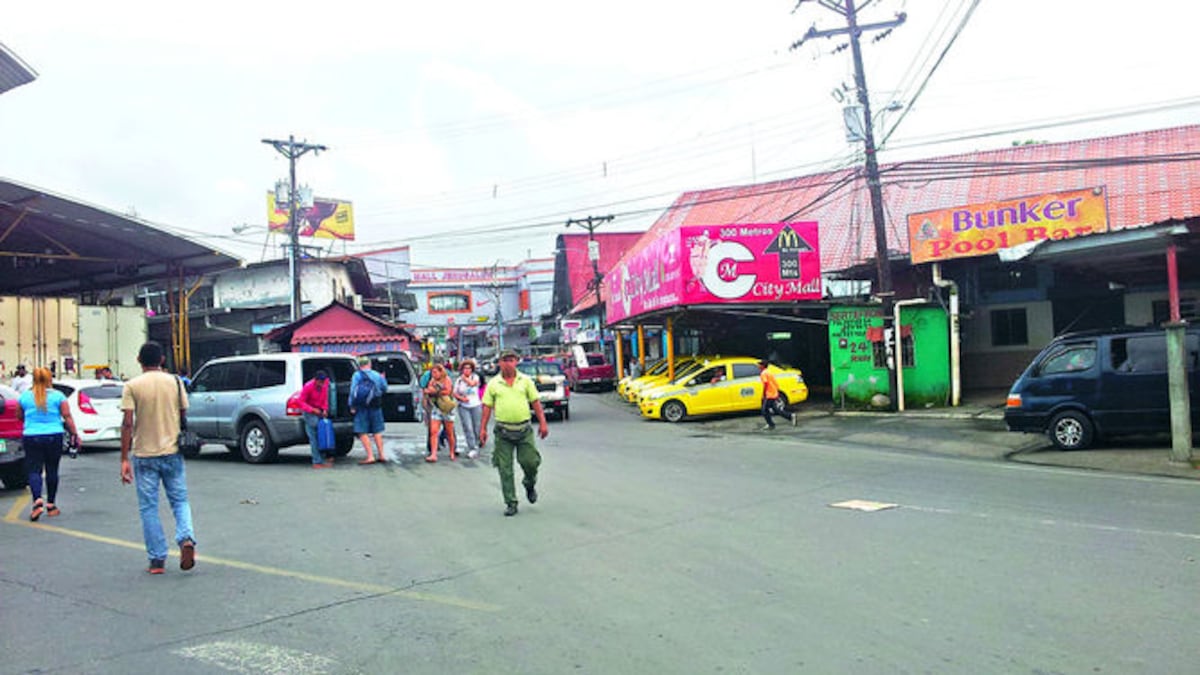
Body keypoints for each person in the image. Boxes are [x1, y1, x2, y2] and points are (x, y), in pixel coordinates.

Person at [119, 341, 197, 575]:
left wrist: (124, 458)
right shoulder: (175, 382)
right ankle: (186, 538)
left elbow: (127, 423)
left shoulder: (132, 386)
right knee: (180, 501)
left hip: (144, 454)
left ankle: (156, 560)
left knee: (149, 507)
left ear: (139, 361)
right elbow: (183, 413)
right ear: (162, 360)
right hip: (172, 450)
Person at [480, 349, 549, 516]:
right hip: (503, 432)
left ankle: (529, 483)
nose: (508, 363)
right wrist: (482, 429)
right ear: (500, 363)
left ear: (516, 362)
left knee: (531, 462)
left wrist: (543, 423)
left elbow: (535, 402)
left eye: (511, 360)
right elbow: (487, 407)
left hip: (524, 430)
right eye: (505, 360)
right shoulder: (494, 383)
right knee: (505, 469)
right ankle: (511, 502)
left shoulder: (525, 381)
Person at [16, 367, 80, 521]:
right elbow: (67, 416)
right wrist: (75, 434)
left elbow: (19, 416)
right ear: (49, 379)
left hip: (31, 436)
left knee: (34, 470)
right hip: (53, 435)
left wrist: (33, 423)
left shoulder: (24, 397)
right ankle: (51, 505)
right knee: (52, 469)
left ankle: (37, 499)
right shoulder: (58, 396)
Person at [349, 355, 387, 464]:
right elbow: (385, 388)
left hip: (361, 407)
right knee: (377, 431)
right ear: (369, 364)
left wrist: (352, 405)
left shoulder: (357, 375)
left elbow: (353, 392)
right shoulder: (377, 375)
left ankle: (370, 456)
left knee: (362, 431)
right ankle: (381, 455)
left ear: (359, 365)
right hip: (376, 405)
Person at [297, 370, 334, 469]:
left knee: (322, 435)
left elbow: (325, 398)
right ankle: (316, 461)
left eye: (323, 382)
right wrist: (312, 410)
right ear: (316, 380)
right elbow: (300, 402)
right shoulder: (308, 386)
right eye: (320, 382)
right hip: (310, 411)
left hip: (320, 410)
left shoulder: (325, 384)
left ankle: (322, 459)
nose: (322, 384)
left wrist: (325, 409)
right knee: (314, 436)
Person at [423, 361, 458, 462]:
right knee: (434, 431)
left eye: (435, 372)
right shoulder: (432, 380)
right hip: (436, 407)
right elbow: (428, 389)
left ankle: (452, 451)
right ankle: (433, 454)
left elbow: (447, 391)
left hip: (446, 407)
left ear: (440, 372)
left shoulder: (446, 379)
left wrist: (435, 391)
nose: (434, 374)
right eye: (432, 372)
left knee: (449, 432)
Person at [453, 359, 483, 460]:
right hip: (463, 406)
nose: (467, 370)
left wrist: (465, 378)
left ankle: (478, 443)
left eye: (469, 368)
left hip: (475, 405)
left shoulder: (475, 377)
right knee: (468, 427)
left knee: (477, 427)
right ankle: (472, 448)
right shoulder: (458, 380)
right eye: (465, 368)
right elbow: (455, 393)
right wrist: (462, 399)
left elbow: (472, 384)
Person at [757, 360, 796, 431]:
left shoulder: (763, 374)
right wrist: (776, 392)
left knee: (764, 410)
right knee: (775, 409)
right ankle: (790, 416)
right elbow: (775, 383)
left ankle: (771, 424)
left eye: (759, 365)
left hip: (769, 395)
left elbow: (765, 384)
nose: (758, 366)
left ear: (762, 366)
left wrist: (764, 393)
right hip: (773, 393)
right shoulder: (769, 372)